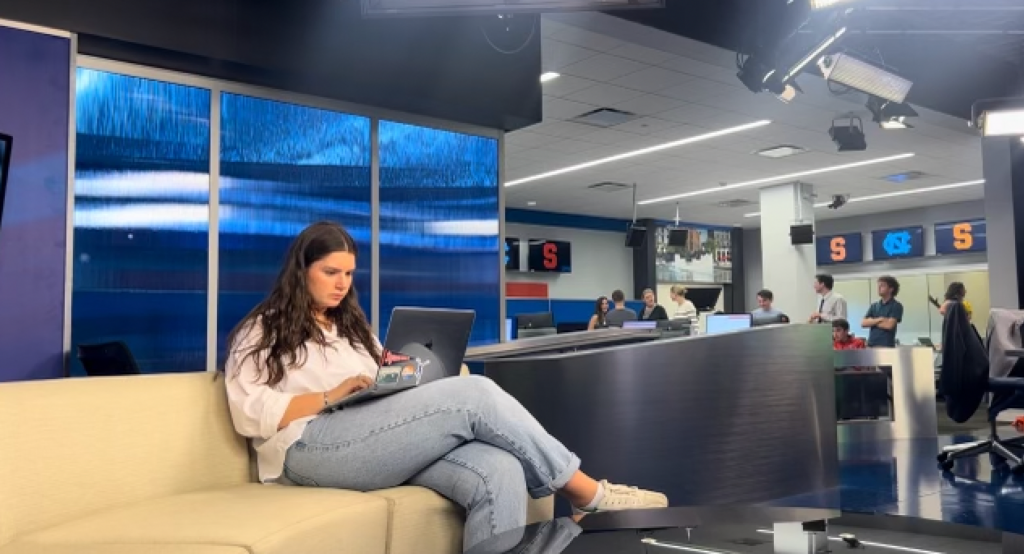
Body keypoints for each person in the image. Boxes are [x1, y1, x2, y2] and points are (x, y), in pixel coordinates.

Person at [223, 222, 667, 550]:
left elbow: (382, 379)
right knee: (476, 394)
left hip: (370, 437)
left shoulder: (353, 328)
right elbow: (248, 412)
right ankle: (586, 493)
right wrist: (329, 395)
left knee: (499, 470)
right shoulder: (264, 329)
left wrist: (413, 378)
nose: (342, 284)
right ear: (301, 272)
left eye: (349, 274)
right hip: (308, 450)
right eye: (330, 272)